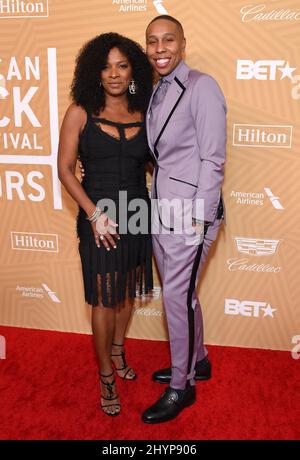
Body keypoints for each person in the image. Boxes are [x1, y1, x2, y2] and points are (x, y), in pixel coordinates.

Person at [57, 32, 153, 417]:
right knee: (103, 297)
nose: (114, 74)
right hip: (98, 216)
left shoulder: (143, 111)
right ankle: (105, 375)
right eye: (106, 65)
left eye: (122, 65)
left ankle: (118, 350)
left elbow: (153, 162)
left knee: (126, 292)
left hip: (137, 212)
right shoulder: (81, 110)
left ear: (133, 70)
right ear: (94, 71)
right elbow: (65, 170)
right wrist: (94, 215)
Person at [141, 15, 227, 424]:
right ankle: (200, 360)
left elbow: (212, 160)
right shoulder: (156, 91)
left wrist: (200, 220)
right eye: (153, 42)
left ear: (183, 44)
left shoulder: (202, 87)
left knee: (176, 298)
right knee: (184, 295)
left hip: (190, 215)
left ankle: (182, 384)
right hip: (161, 210)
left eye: (168, 40)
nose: (160, 49)